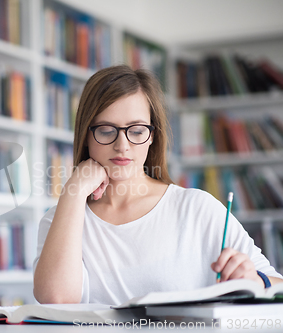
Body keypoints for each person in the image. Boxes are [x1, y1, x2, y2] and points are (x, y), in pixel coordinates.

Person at [32, 65, 283, 305]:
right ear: (86, 134)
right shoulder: (61, 219)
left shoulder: (197, 209)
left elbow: (277, 285)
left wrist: (256, 282)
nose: (122, 145)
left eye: (137, 130)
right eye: (107, 130)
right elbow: (57, 298)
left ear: (152, 135)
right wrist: (73, 193)